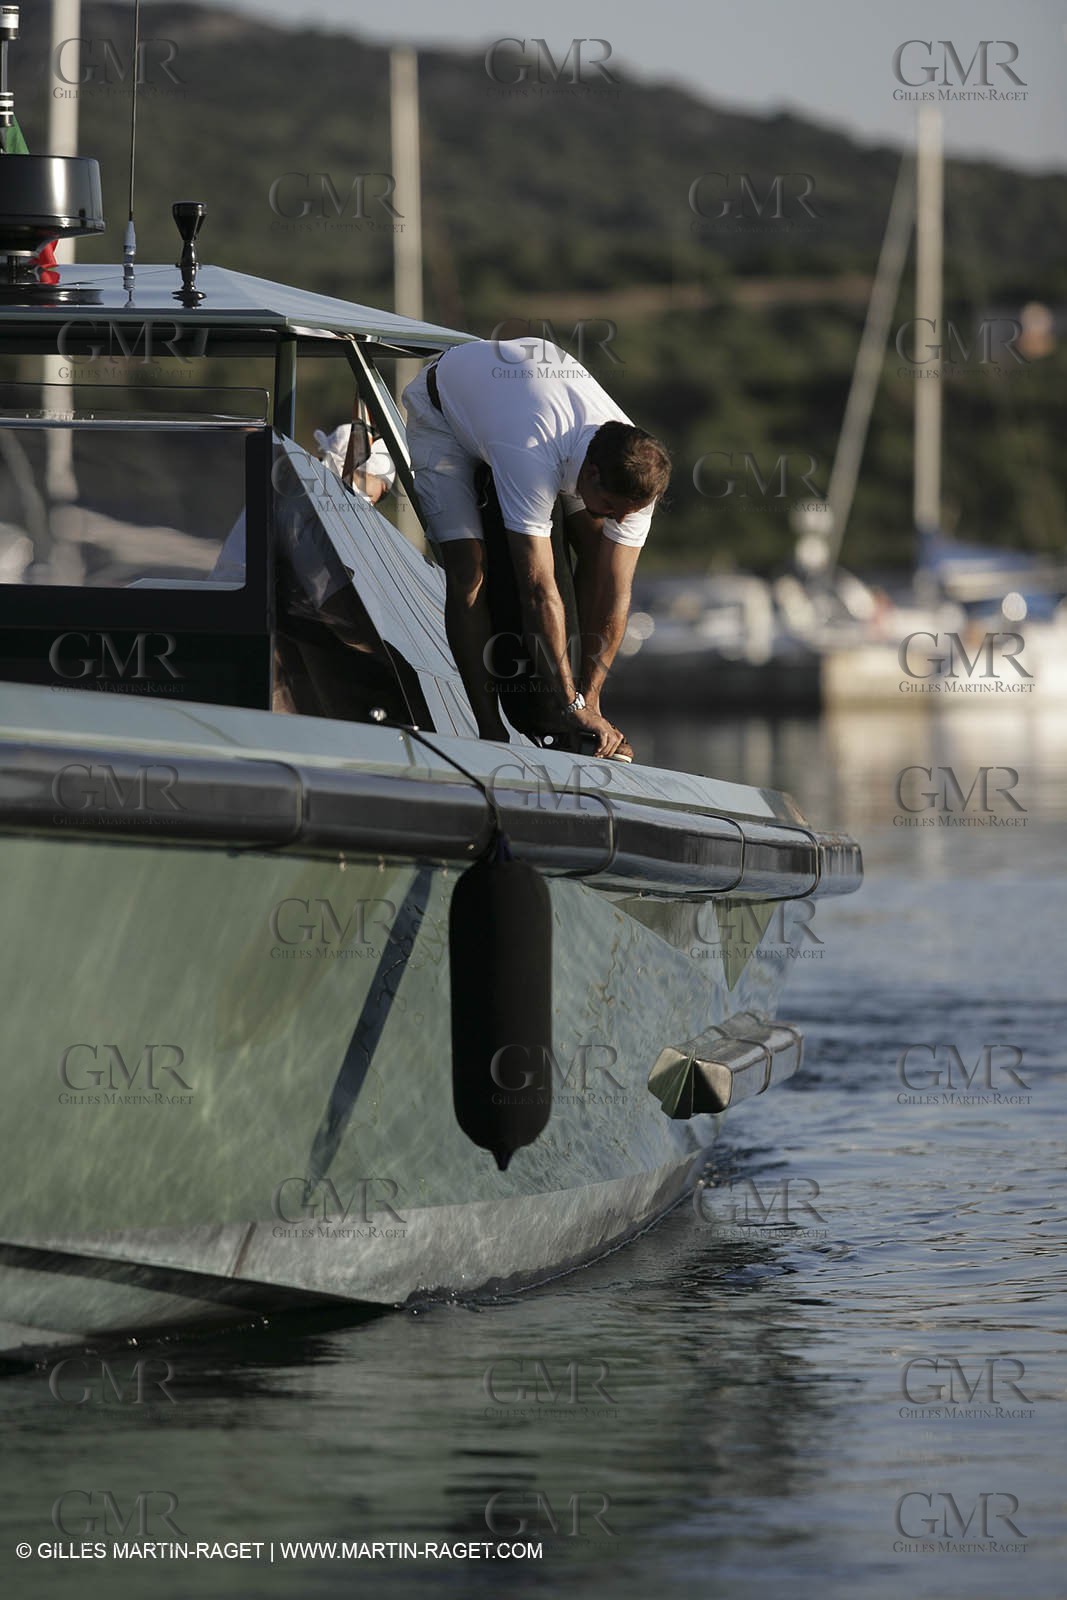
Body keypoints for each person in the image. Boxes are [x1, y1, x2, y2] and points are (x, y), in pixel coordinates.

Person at [403, 338, 670, 758]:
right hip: (445, 414)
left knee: (599, 546)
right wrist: (569, 704)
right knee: (469, 569)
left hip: (519, 397)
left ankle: (581, 709)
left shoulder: (637, 472)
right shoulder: (529, 452)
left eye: (627, 512)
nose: (620, 518)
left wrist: (589, 701)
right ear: (592, 474)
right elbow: (538, 590)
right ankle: (490, 731)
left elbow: (615, 592)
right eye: (612, 508)